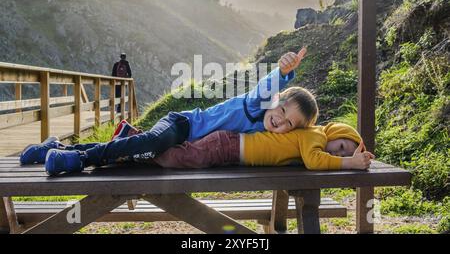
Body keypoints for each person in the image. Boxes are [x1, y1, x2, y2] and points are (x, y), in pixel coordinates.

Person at [21, 48, 321, 175]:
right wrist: (283, 72)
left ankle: (57, 148)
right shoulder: (256, 104)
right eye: (282, 108)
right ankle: (78, 159)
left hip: (185, 146)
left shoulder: (269, 135)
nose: (280, 119)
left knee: (136, 152)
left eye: (289, 123)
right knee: (150, 144)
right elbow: (268, 85)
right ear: (276, 99)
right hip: (183, 125)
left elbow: (308, 141)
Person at [20, 122, 374, 175]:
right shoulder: (314, 136)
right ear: (334, 132)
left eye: (345, 152)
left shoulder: (312, 136)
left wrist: (355, 155)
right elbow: (314, 162)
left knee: (160, 156)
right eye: (342, 145)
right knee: (168, 158)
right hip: (225, 148)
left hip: (225, 146)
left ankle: (62, 148)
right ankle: (131, 135)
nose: (340, 152)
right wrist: (351, 165)